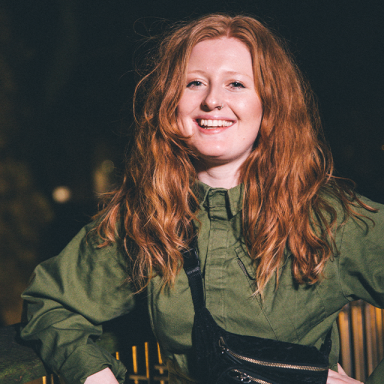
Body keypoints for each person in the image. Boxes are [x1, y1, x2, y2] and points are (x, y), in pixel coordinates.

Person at [20, 13, 384, 384]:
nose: (213, 100)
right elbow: (51, 304)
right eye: (195, 83)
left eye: (236, 84)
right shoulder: (148, 215)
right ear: (170, 102)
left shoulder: (328, 217)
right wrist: (96, 376)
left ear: (269, 103)